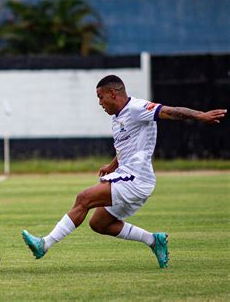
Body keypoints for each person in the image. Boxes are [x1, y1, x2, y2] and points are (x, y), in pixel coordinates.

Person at [22, 75, 227, 268]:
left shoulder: (137, 108)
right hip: (130, 178)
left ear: (113, 93)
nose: (100, 103)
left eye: (100, 97)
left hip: (136, 179)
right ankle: (153, 240)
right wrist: (112, 166)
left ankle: (44, 244)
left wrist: (201, 115)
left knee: (84, 198)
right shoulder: (117, 118)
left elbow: (171, 111)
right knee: (99, 223)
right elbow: (126, 147)